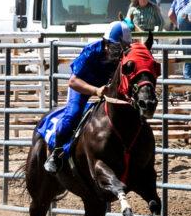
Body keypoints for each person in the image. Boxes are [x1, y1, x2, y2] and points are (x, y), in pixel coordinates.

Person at [44, 21, 131, 174]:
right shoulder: (91, 51)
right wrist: (96, 90)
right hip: (83, 86)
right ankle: (56, 153)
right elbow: (73, 81)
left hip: (108, 89)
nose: (118, 53)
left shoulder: (125, 55)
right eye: (115, 47)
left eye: (121, 48)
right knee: (73, 114)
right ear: (106, 43)